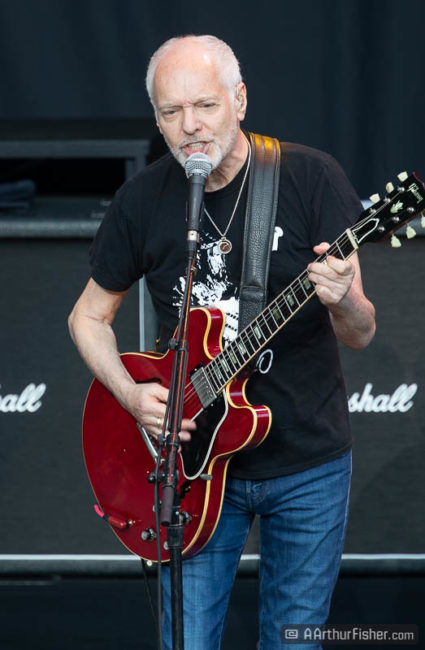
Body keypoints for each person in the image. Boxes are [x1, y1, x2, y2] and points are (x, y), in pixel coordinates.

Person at [68, 35, 376, 650]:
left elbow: (360, 332)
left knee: (295, 641)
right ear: (157, 119)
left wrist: (342, 297)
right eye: (172, 111)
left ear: (239, 100)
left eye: (205, 105)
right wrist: (131, 395)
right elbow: (87, 318)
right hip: (190, 470)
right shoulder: (142, 199)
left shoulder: (310, 177)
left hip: (307, 461)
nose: (190, 126)